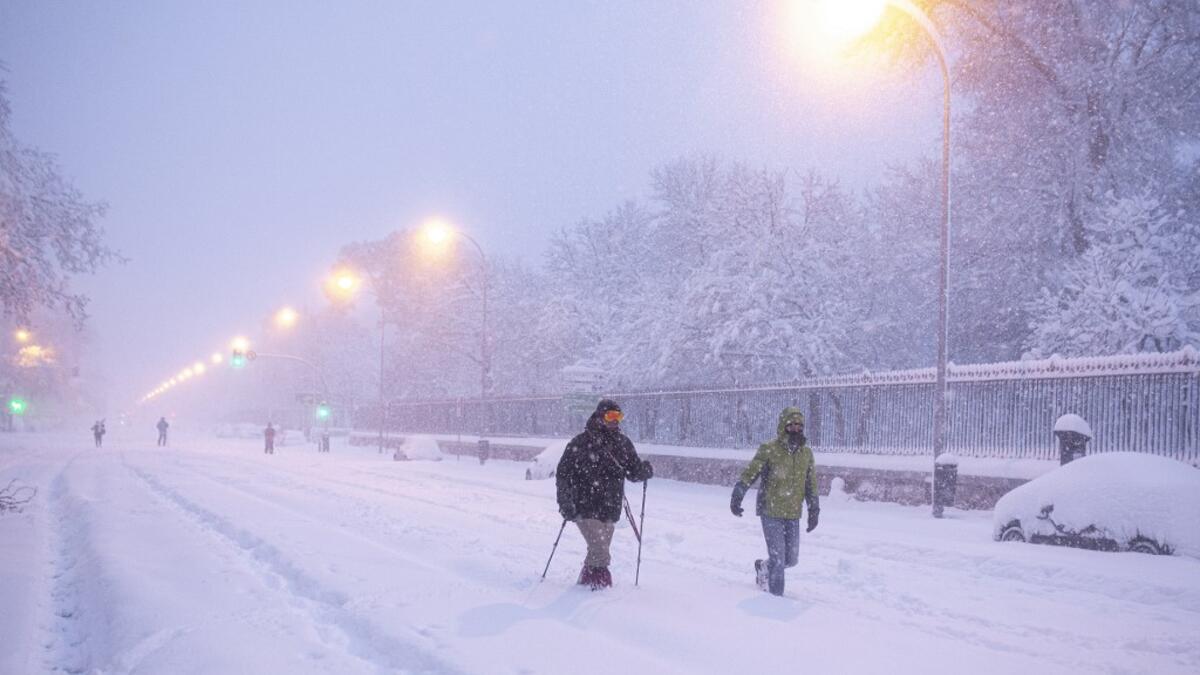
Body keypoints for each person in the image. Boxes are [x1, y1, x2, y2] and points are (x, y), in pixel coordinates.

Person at [555, 399, 653, 590]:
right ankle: (600, 588)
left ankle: (585, 581)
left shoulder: (623, 443)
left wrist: (644, 471)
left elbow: (633, 471)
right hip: (583, 506)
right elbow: (563, 474)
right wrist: (566, 502)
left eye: (618, 416)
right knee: (600, 551)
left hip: (610, 507)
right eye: (610, 416)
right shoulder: (581, 443)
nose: (614, 420)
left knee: (598, 549)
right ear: (600, 417)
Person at [729, 407, 819, 596]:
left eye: (799, 425)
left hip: (793, 512)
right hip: (770, 510)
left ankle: (763, 567)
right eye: (791, 425)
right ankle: (776, 601)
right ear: (783, 426)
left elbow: (810, 484)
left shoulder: (806, 454)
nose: (795, 428)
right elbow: (751, 472)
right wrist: (738, 493)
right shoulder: (769, 449)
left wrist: (814, 509)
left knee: (791, 560)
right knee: (778, 560)